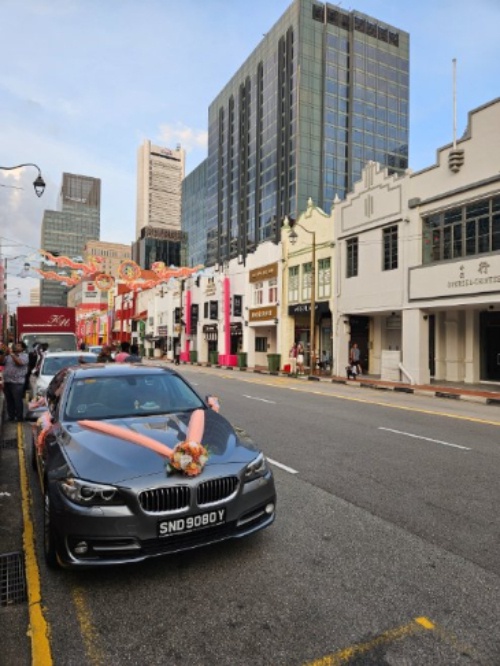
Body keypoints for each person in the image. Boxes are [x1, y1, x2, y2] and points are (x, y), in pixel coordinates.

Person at [0, 342, 29, 421]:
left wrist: (12, 354)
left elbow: (19, 363)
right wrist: (4, 353)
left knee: (17, 400)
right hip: (7, 381)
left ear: (22, 348)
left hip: (17, 382)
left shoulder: (25, 356)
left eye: (18, 346)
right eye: (15, 345)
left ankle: (19, 417)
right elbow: (1, 361)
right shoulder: (8, 356)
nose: (16, 346)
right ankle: (11, 416)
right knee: (9, 400)